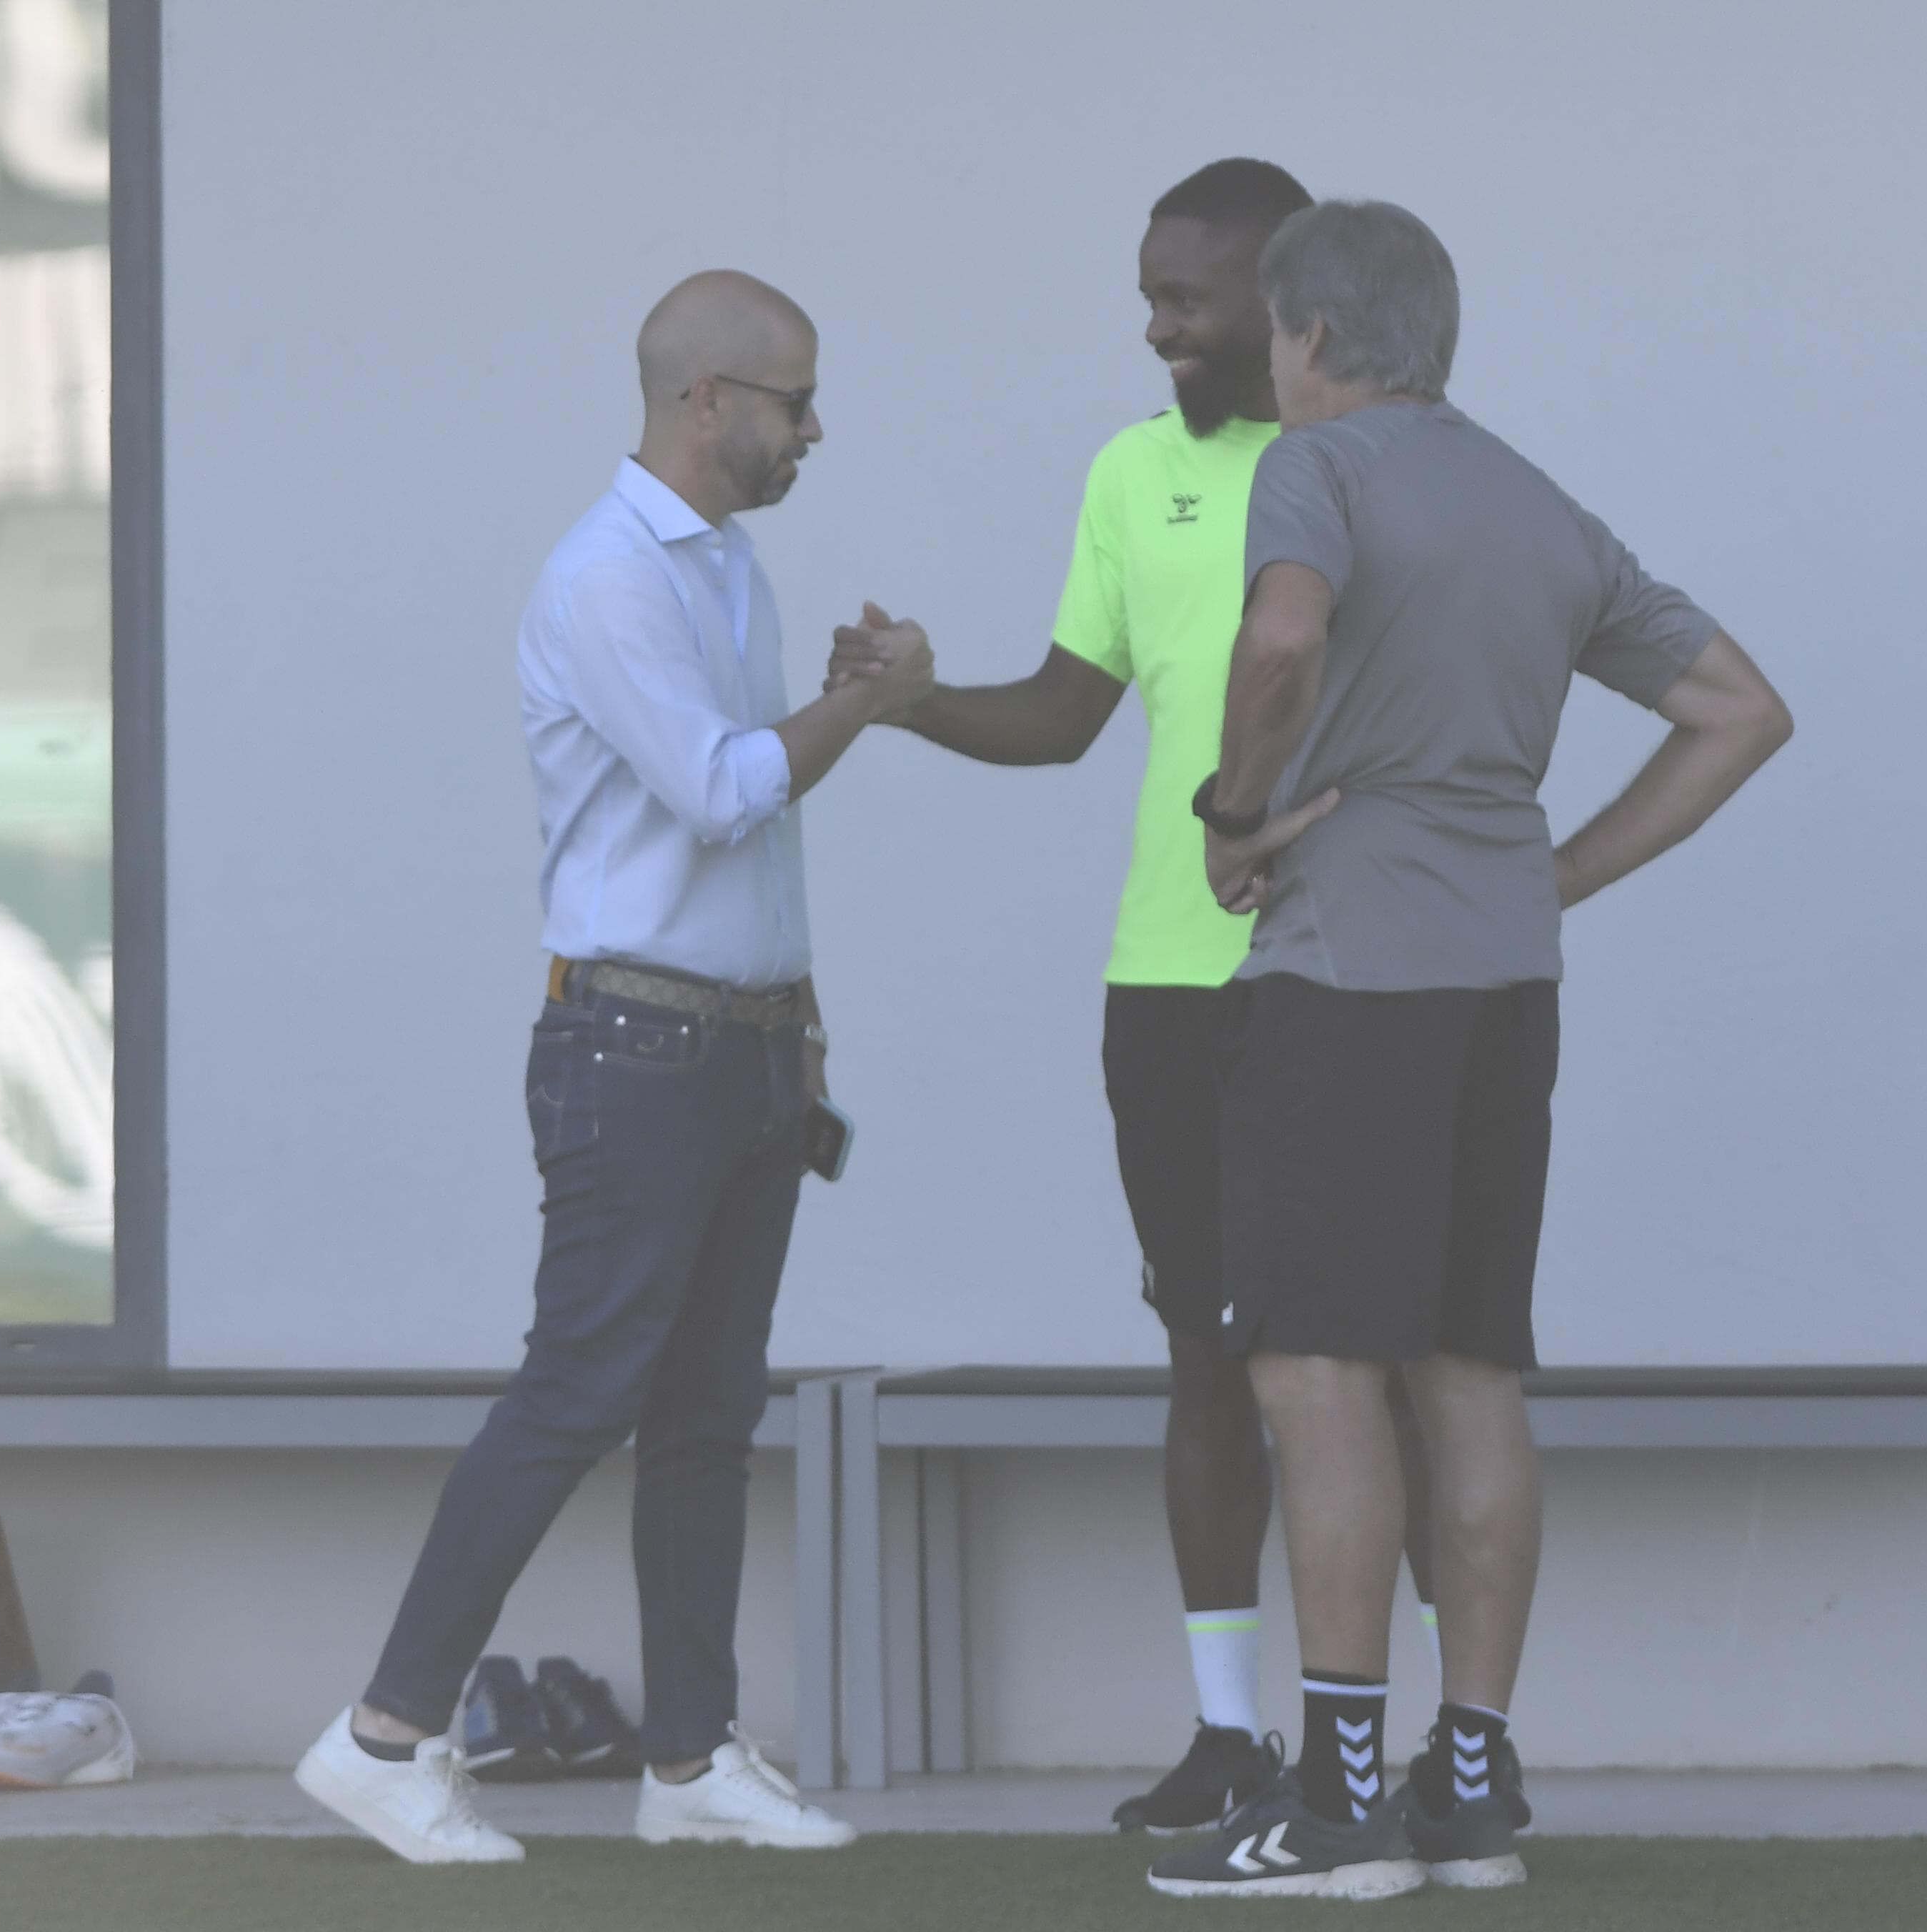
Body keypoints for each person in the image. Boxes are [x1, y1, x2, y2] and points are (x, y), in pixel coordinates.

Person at [1147, 201, 1793, 1900]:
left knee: (1314, 1375)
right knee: (1468, 1369)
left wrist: (1230, 812)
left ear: (1309, 335)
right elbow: (1741, 711)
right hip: (1506, 985)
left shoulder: (1316, 468)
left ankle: (1340, 1800)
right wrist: (1552, 871)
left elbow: (1282, 635)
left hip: (1344, 979)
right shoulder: (1537, 502)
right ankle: (1472, 1780)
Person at [828, 158, 1445, 1832]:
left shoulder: (1378, 467)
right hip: (1168, 987)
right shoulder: (1128, 474)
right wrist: (909, 700)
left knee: (1379, 1365)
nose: (1157, 325)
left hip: (1352, 975)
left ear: (1289, 303)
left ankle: (1426, 1745)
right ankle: (1230, 1733)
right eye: (1149, 294)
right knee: (1207, 1356)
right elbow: (1064, 712)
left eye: (1187, 297)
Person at [292, 271, 932, 1864]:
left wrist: (801, 1025)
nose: (814, 429)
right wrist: (863, 704)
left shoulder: (727, 564)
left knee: (708, 1410)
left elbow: (747, 839)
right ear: (705, 399)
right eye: (793, 400)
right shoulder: (606, 575)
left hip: (742, 1048)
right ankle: (383, 1733)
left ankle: (691, 1757)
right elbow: (723, 791)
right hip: (633, 1048)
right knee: (578, 1386)